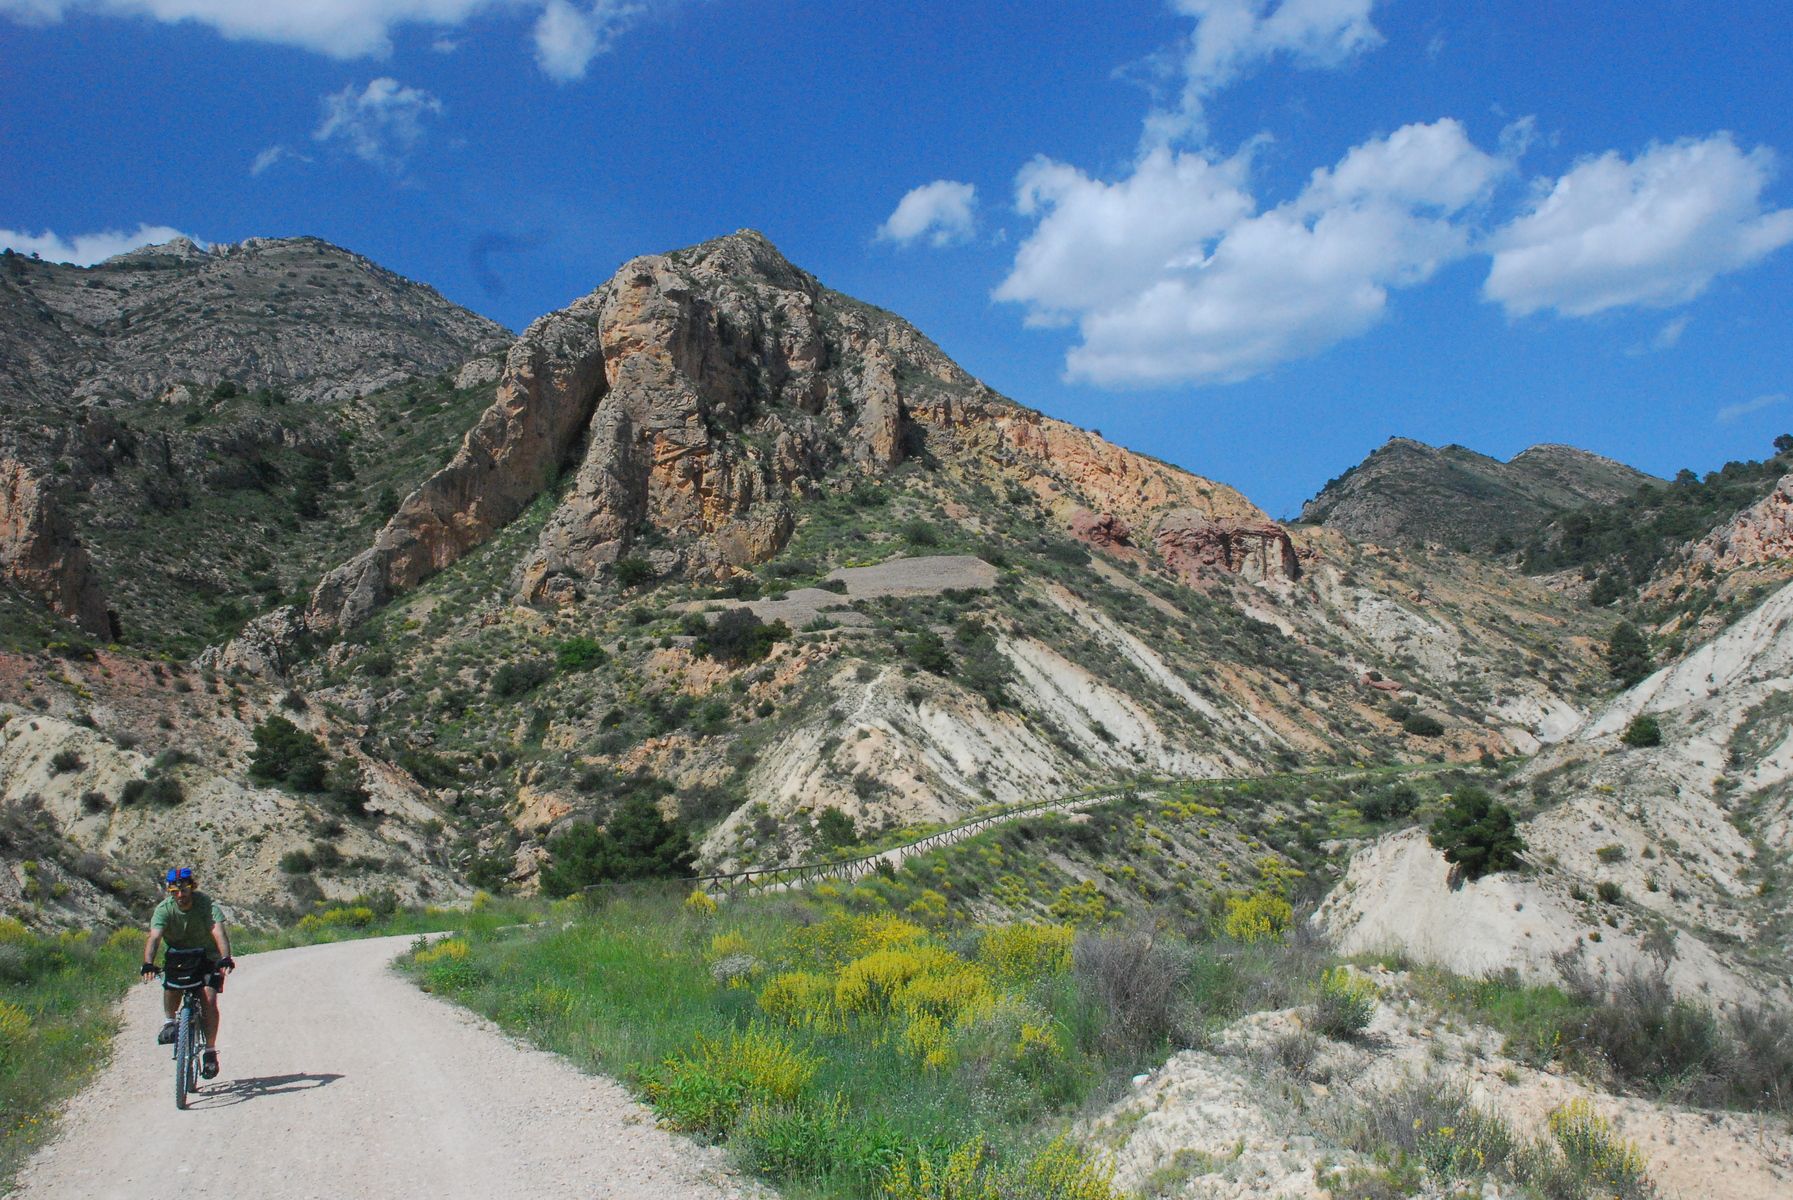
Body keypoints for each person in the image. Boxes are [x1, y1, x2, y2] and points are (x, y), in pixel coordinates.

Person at [140, 866, 234, 1079]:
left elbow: (218, 932)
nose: (180, 895)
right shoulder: (164, 909)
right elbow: (154, 937)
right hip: (180, 957)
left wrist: (225, 957)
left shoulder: (205, 905)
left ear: (192, 887)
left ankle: (210, 1052)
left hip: (207, 956)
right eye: (175, 892)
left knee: (209, 999)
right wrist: (148, 963)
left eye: (184, 890)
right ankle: (169, 1022)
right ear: (169, 891)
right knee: (171, 985)